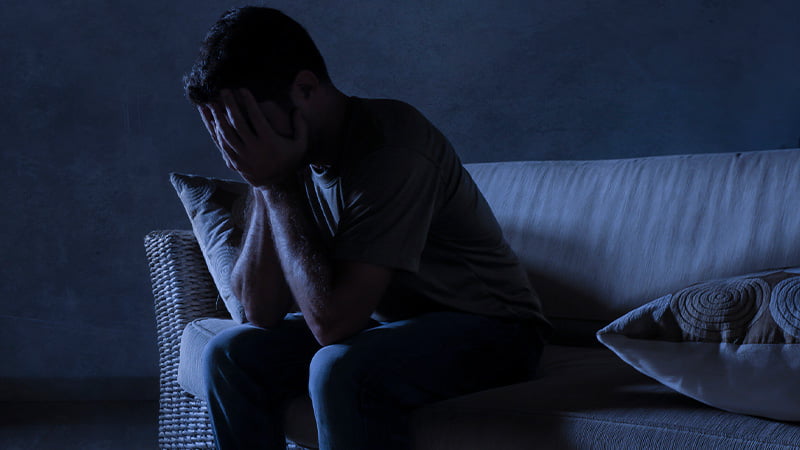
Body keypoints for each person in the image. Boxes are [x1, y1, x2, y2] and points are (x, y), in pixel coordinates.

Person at [182, 6, 552, 450]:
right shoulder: (288, 154)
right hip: (389, 326)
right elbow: (258, 313)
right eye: (227, 129)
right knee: (230, 355)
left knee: (339, 367)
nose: (238, 143)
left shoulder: (392, 146)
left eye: (248, 124)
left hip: (496, 330)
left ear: (305, 88)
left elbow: (333, 326)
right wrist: (263, 184)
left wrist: (277, 185)